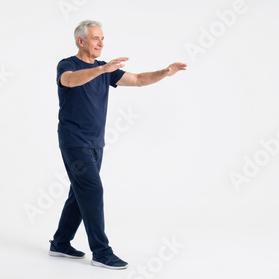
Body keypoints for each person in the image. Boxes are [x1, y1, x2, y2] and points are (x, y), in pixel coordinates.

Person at [49, 20, 187, 270]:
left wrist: (164, 72)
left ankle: (60, 242)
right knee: (92, 191)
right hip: (74, 141)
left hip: (96, 143)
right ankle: (101, 252)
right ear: (81, 41)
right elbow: (69, 81)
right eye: (96, 38)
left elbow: (138, 80)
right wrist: (100, 71)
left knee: (79, 194)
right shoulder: (68, 65)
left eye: (103, 38)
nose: (101, 43)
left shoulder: (106, 68)